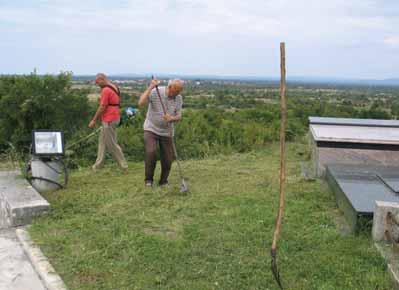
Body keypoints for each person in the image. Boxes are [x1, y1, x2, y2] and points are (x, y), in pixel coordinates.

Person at [138, 78, 183, 186]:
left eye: (178, 92)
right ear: (169, 87)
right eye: (174, 92)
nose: (175, 95)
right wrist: (150, 87)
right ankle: (148, 180)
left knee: (168, 158)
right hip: (151, 128)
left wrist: (171, 118)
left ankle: (163, 181)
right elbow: (141, 103)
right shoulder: (155, 92)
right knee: (151, 152)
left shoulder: (178, 98)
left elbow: (179, 116)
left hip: (167, 131)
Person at [88, 73, 128, 171]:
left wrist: (93, 120)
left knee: (111, 144)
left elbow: (102, 107)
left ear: (102, 79)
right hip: (114, 117)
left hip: (109, 120)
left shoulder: (105, 90)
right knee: (102, 142)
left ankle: (123, 166)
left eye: (98, 83)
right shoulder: (114, 86)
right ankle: (97, 166)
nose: (98, 85)